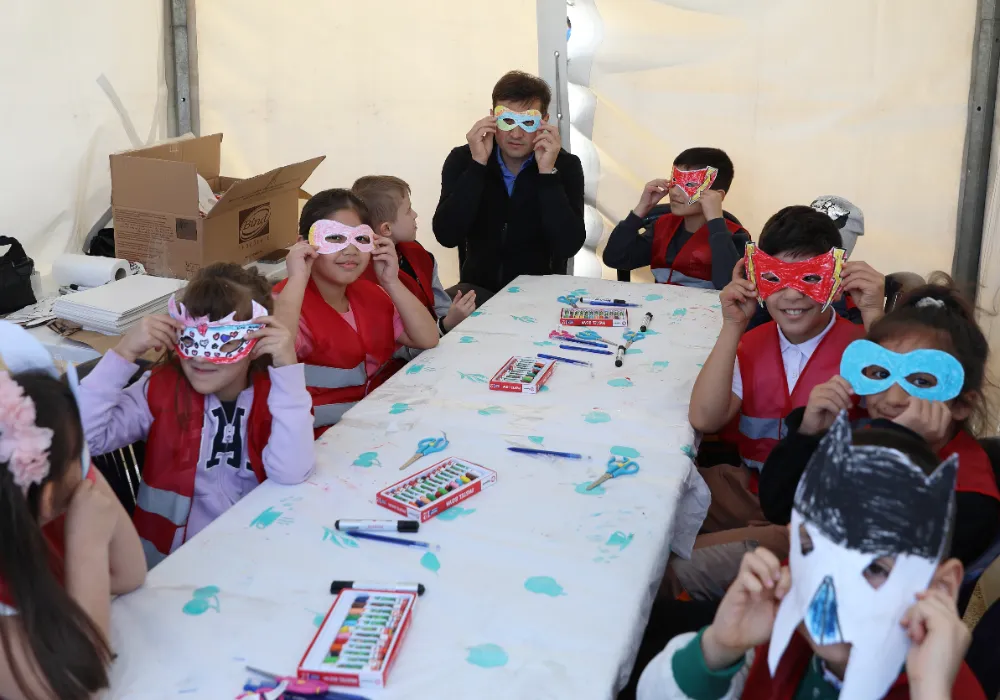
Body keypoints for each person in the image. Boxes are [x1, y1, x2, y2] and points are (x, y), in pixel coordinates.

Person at [638, 423, 986, 699]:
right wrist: (719, 648)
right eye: (815, 548)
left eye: (875, 568)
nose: (829, 591)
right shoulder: (784, 621)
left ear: (941, 586)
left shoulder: (938, 686)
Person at [675, 206, 885, 598]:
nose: (792, 295)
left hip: (814, 517)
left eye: (810, 278)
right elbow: (704, 418)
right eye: (775, 278)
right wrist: (733, 325)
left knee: (670, 571)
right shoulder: (753, 342)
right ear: (756, 277)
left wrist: (875, 315)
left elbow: (897, 418)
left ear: (837, 280)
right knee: (655, 507)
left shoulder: (865, 350)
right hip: (749, 488)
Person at [79, 263, 315, 568]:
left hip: (257, 553)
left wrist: (287, 371)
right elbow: (84, 440)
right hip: (170, 564)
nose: (202, 357)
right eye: (191, 339)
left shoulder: (279, 395)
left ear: (257, 340)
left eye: (224, 341)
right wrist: (123, 353)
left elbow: (291, 472)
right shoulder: (159, 390)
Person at [759, 280, 1000, 567]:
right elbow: (779, 507)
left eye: (921, 381)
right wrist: (809, 434)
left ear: (961, 405)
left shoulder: (971, 497)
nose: (893, 398)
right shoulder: (861, 430)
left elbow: (869, 556)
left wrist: (901, 447)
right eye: (880, 374)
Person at [0, 360, 146, 699]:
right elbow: (77, 682)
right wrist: (87, 548)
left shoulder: (36, 512)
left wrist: (78, 468)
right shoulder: (43, 513)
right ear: (48, 495)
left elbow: (130, 574)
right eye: (79, 458)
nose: (86, 468)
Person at [274, 189, 439, 432]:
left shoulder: (372, 294)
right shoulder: (283, 303)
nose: (350, 250)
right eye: (334, 238)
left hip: (374, 422)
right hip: (315, 436)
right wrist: (297, 278)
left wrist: (391, 282)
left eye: (360, 239)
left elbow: (427, 338)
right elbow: (276, 353)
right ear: (304, 245)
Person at [432, 70, 586, 296]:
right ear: (492, 118)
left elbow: (568, 245)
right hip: (477, 290)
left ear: (544, 122)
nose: (516, 133)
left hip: (540, 294)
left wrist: (547, 175)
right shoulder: (464, 159)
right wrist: (477, 166)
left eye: (528, 122)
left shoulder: (565, 166)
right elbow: (446, 235)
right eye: (507, 120)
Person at [351, 176, 476, 357]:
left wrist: (452, 316)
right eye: (408, 210)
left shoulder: (418, 254)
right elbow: (396, 352)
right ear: (386, 229)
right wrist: (445, 325)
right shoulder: (364, 280)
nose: (415, 215)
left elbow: (441, 307)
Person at [602, 147, 750, 290]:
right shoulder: (662, 227)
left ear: (717, 196)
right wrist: (641, 209)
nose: (674, 193)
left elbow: (730, 285)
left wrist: (716, 223)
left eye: (689, 184)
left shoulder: (736, 236)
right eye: (674, 182)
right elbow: (615, 258)